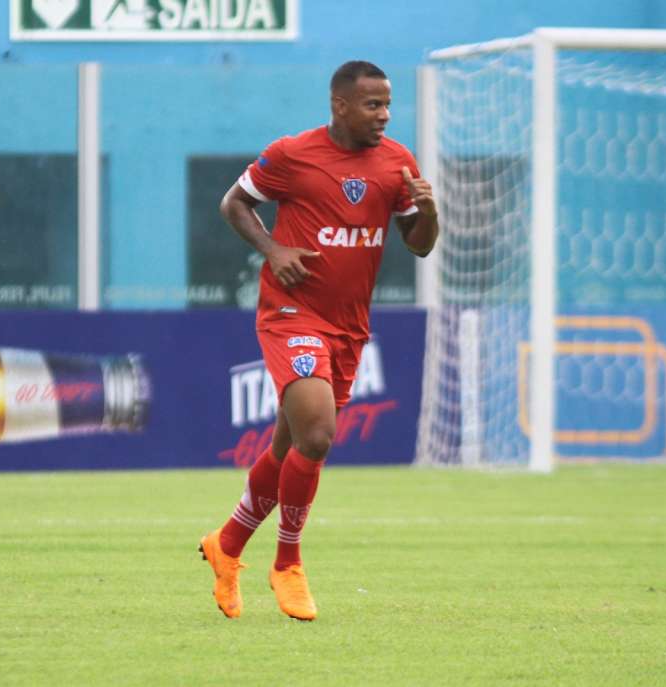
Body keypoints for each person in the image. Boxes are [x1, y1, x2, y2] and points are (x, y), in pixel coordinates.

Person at [199, 60, 440, 621]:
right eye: (372, 105)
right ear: (339, 106)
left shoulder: (397, 163)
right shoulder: (292, 155)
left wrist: (428, 212)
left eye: (387, 104)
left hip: (349, 325)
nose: (384, 115)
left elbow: (420, 245)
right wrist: (274, 250)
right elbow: (234, 202)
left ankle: (227, 545)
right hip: (291, 313)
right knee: (319, 432)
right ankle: (287, 562)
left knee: (289, 448)